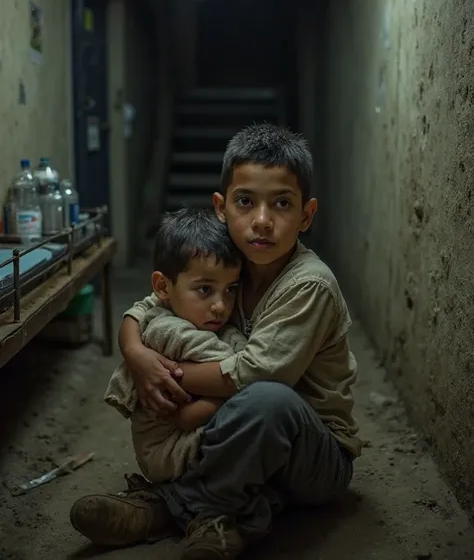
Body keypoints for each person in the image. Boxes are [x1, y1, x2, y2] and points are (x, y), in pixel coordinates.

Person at [71, 123, 362, 560]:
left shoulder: (309, 285)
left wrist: (170, 374)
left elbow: (255, 374)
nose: (262, 221)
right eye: (246, 202)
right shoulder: (231, 262)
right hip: (238, 439)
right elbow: (153, 302)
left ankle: (176, 508)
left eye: (282, 204)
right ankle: (226, 505)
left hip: (311, 454)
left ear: (306, 215)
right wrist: (135, 353)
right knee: (180, 339)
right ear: (222, 208)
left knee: (268, 399)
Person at [104, 207, 246, 483]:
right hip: (170, 451)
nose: (220, 306)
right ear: (163, 287)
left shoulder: (188, 312)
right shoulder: (169, 329)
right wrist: (222, 401)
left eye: (231, 290)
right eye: (205, 289)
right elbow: (240, 370)